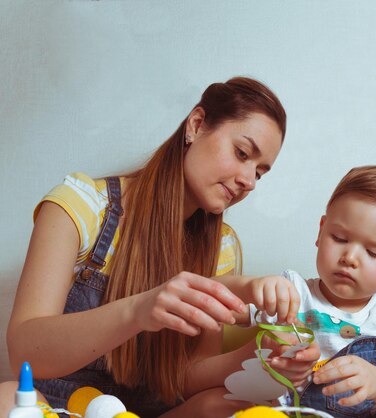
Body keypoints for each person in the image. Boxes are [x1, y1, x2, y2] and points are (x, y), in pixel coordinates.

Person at [0, 76, 319, 418]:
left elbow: (183, 381)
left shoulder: (222, 246)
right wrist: (139, 310)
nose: (248, 181)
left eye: (260, 172)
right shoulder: (82, 206)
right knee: (7, 397)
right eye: (242, 153)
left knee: (227, 405)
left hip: (150, 412)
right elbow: (25, 354)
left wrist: (261, 357)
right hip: (69, 408)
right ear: (196, 125)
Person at [251, 165, 376, 418]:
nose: (350, 258)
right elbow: (234, 317)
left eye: (373, 253)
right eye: (340, 238)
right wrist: (259, 296)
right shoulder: (291, 292)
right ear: (321, 231)